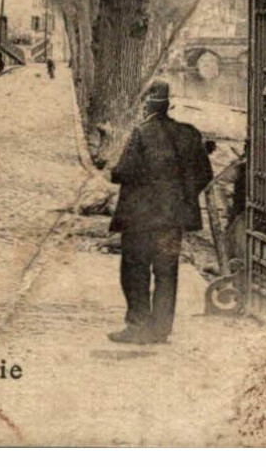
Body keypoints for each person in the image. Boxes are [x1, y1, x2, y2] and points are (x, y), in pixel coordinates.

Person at [106, 80, 213, 345]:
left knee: (135, 269)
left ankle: (138, 326)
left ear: (146, 106)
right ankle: (161, 329)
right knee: (166, 272)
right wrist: (182, 198)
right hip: (172, 219)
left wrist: (112, 171)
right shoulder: (190, 133)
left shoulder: (141, 133)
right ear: (169, 105)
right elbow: (205, 174)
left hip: (140, 219)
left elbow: (124, 172)